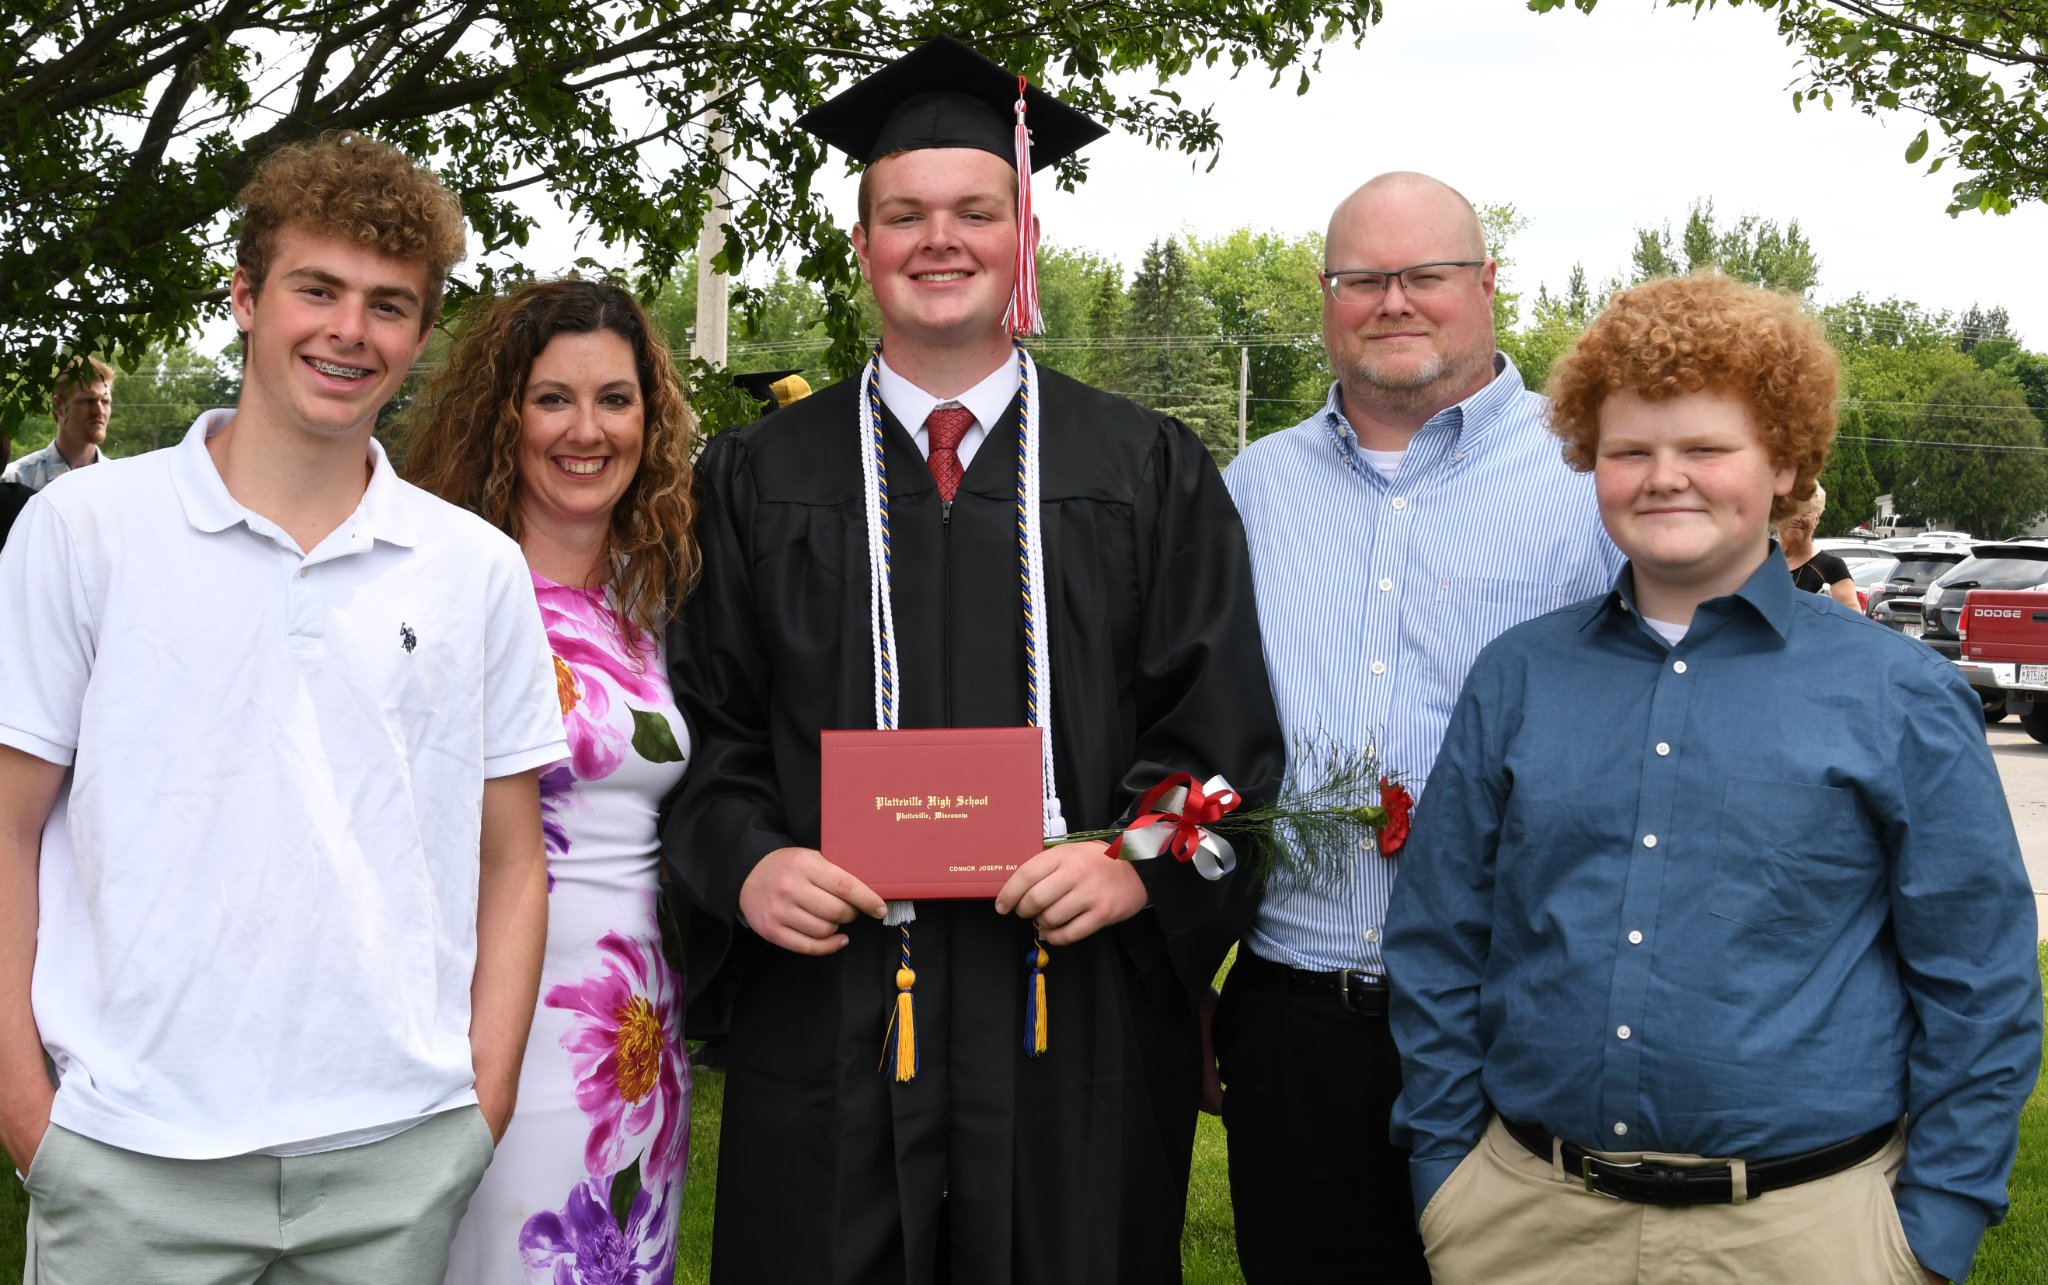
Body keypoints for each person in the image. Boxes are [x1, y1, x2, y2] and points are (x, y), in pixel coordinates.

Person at [664, 36, 1285, 1285]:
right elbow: (701, 733)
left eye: (972, 212)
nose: (937, 239)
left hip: (1074, 1017)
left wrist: (1134, 865)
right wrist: (748, 866)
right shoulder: (753, 480)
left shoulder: (1143, 471)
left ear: (1023, 236)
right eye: (903, 214)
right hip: (831, 1009)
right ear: (861, 243)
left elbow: (1221, 747)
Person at [1384, 273, 2042, 1285]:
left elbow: (1978, 981)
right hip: (1525, 1225)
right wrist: (1445, 1174)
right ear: (1587, 461)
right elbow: (1438, 936)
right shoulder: (1517, 675)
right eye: (1628, 450)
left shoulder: (1896, 692)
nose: (1663, 478)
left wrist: (1933, 1227)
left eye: (1704, 448)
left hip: (1805, 1238)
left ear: (1781, 463)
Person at [0, 133, 567, 1283]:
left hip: (395, 1154)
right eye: (317, 289)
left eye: (390, 305)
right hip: (127, 1156)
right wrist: (30, 1117)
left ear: (418, 332)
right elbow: (7, 828)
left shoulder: (476, 568)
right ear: (247, 298)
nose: (349, 331)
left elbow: (513, 862)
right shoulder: (83, 529)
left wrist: (480, 1103)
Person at [1214, 171, 1623, 1284]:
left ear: (1487, 285)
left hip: (1523, 1016)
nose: (1392, 301)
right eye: (1362, 279)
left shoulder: (1594, 479)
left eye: (1424, 276)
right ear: (1324, 296)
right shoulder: (1251, 491)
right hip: (1295, 1020)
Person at [403, 279, 701, 1284]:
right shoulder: (445, 593)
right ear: (503, 416)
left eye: (615, 399)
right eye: (552, 399)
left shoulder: (654, 600)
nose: (587, 430)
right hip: (490, 1027)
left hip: (638, 1034)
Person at [3, 357, 116, 492]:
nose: (99, 411)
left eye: (105, 401)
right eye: (87, 400)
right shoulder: (16, 481)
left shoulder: (118, 482)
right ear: (58, 405)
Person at [1778, 482, 1857, 606]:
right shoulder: (1757, 562)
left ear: (1817, 519)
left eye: (1805, 511)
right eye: (1790, 510)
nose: (1796, 517)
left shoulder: (1832, 568)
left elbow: (1853, 621)